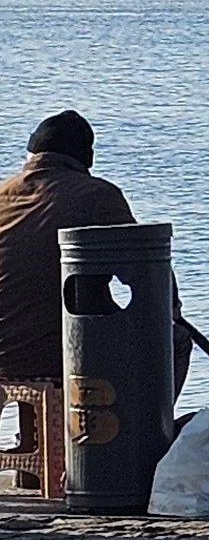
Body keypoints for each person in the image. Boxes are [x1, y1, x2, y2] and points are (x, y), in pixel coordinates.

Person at [0, 110, 131, 387]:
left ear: (30, 155)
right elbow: (145, 272)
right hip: (55, 354)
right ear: (87, 159)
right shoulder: (97, 195)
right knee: (174, 340)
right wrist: (172, 312)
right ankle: (137, 428)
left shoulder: (3, 195)